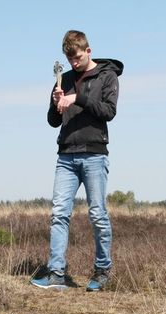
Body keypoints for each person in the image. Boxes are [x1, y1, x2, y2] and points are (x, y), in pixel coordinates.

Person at [31, 30, 123, 291]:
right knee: (59, 214)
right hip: (66, 155)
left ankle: (102, 271)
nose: (73, 63)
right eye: (69, 59)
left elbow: (109, 112)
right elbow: (53, 121)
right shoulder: (64, 78)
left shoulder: (108, 76)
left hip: (94, 154)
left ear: (88, 51)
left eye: (78, 58)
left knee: (97, 214)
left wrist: (77, 98)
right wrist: (56, 103)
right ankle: (56, 273)